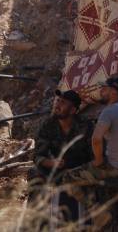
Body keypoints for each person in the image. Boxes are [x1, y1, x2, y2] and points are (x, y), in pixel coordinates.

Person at [64, 76, 118, 228]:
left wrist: (99, 160)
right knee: (107, 189)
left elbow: (96, 139)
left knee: (68, 178)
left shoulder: (109, 111)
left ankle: (98, 213)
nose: (101, 91)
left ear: (114, 92)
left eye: (105, 88)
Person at [30, 89, 93, 221]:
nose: (57, 105)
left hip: (79, 169)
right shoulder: (48, 125)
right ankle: (36, 221)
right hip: (54, 168)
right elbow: (37, 156)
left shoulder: (85, 126)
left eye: (63, 103)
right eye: (57, 101)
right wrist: (51, 163)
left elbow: (93, 155)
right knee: (34, 174)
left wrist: (78, 167)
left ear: (73, 110)